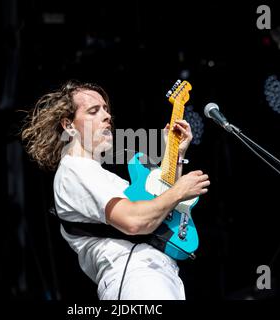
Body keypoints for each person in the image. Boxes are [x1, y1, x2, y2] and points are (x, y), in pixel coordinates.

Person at [21, 80, 210, 300]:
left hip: (156, 274)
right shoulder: (74, 169)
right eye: (94, 111)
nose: (107, 116)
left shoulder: (99, 175)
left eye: (106, 109)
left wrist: (175, 155)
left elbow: (162, 212)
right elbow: (134, 221)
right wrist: (178, 191)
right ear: (69, 125)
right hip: (137, 277)